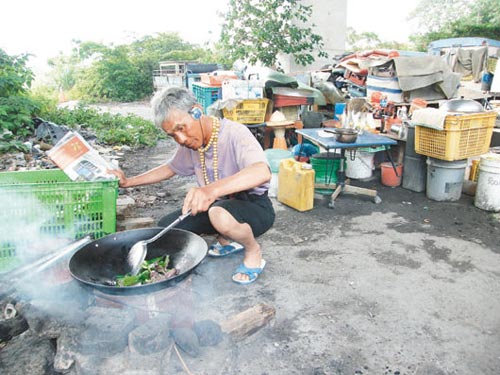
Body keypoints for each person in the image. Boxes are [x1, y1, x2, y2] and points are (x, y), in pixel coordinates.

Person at [109, 87, 275, 285]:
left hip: (255, 208)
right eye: (172, 135)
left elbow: (261, 171)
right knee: (165, 230)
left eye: (181, 128)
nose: (181, 139)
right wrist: (129, 182)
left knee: (218, 213)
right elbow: (170, 168)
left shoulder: (235, 133)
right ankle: (226, 240)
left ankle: (252, 250)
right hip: (219, 207)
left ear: (197, 111)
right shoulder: (192, 144)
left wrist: (210, 190)